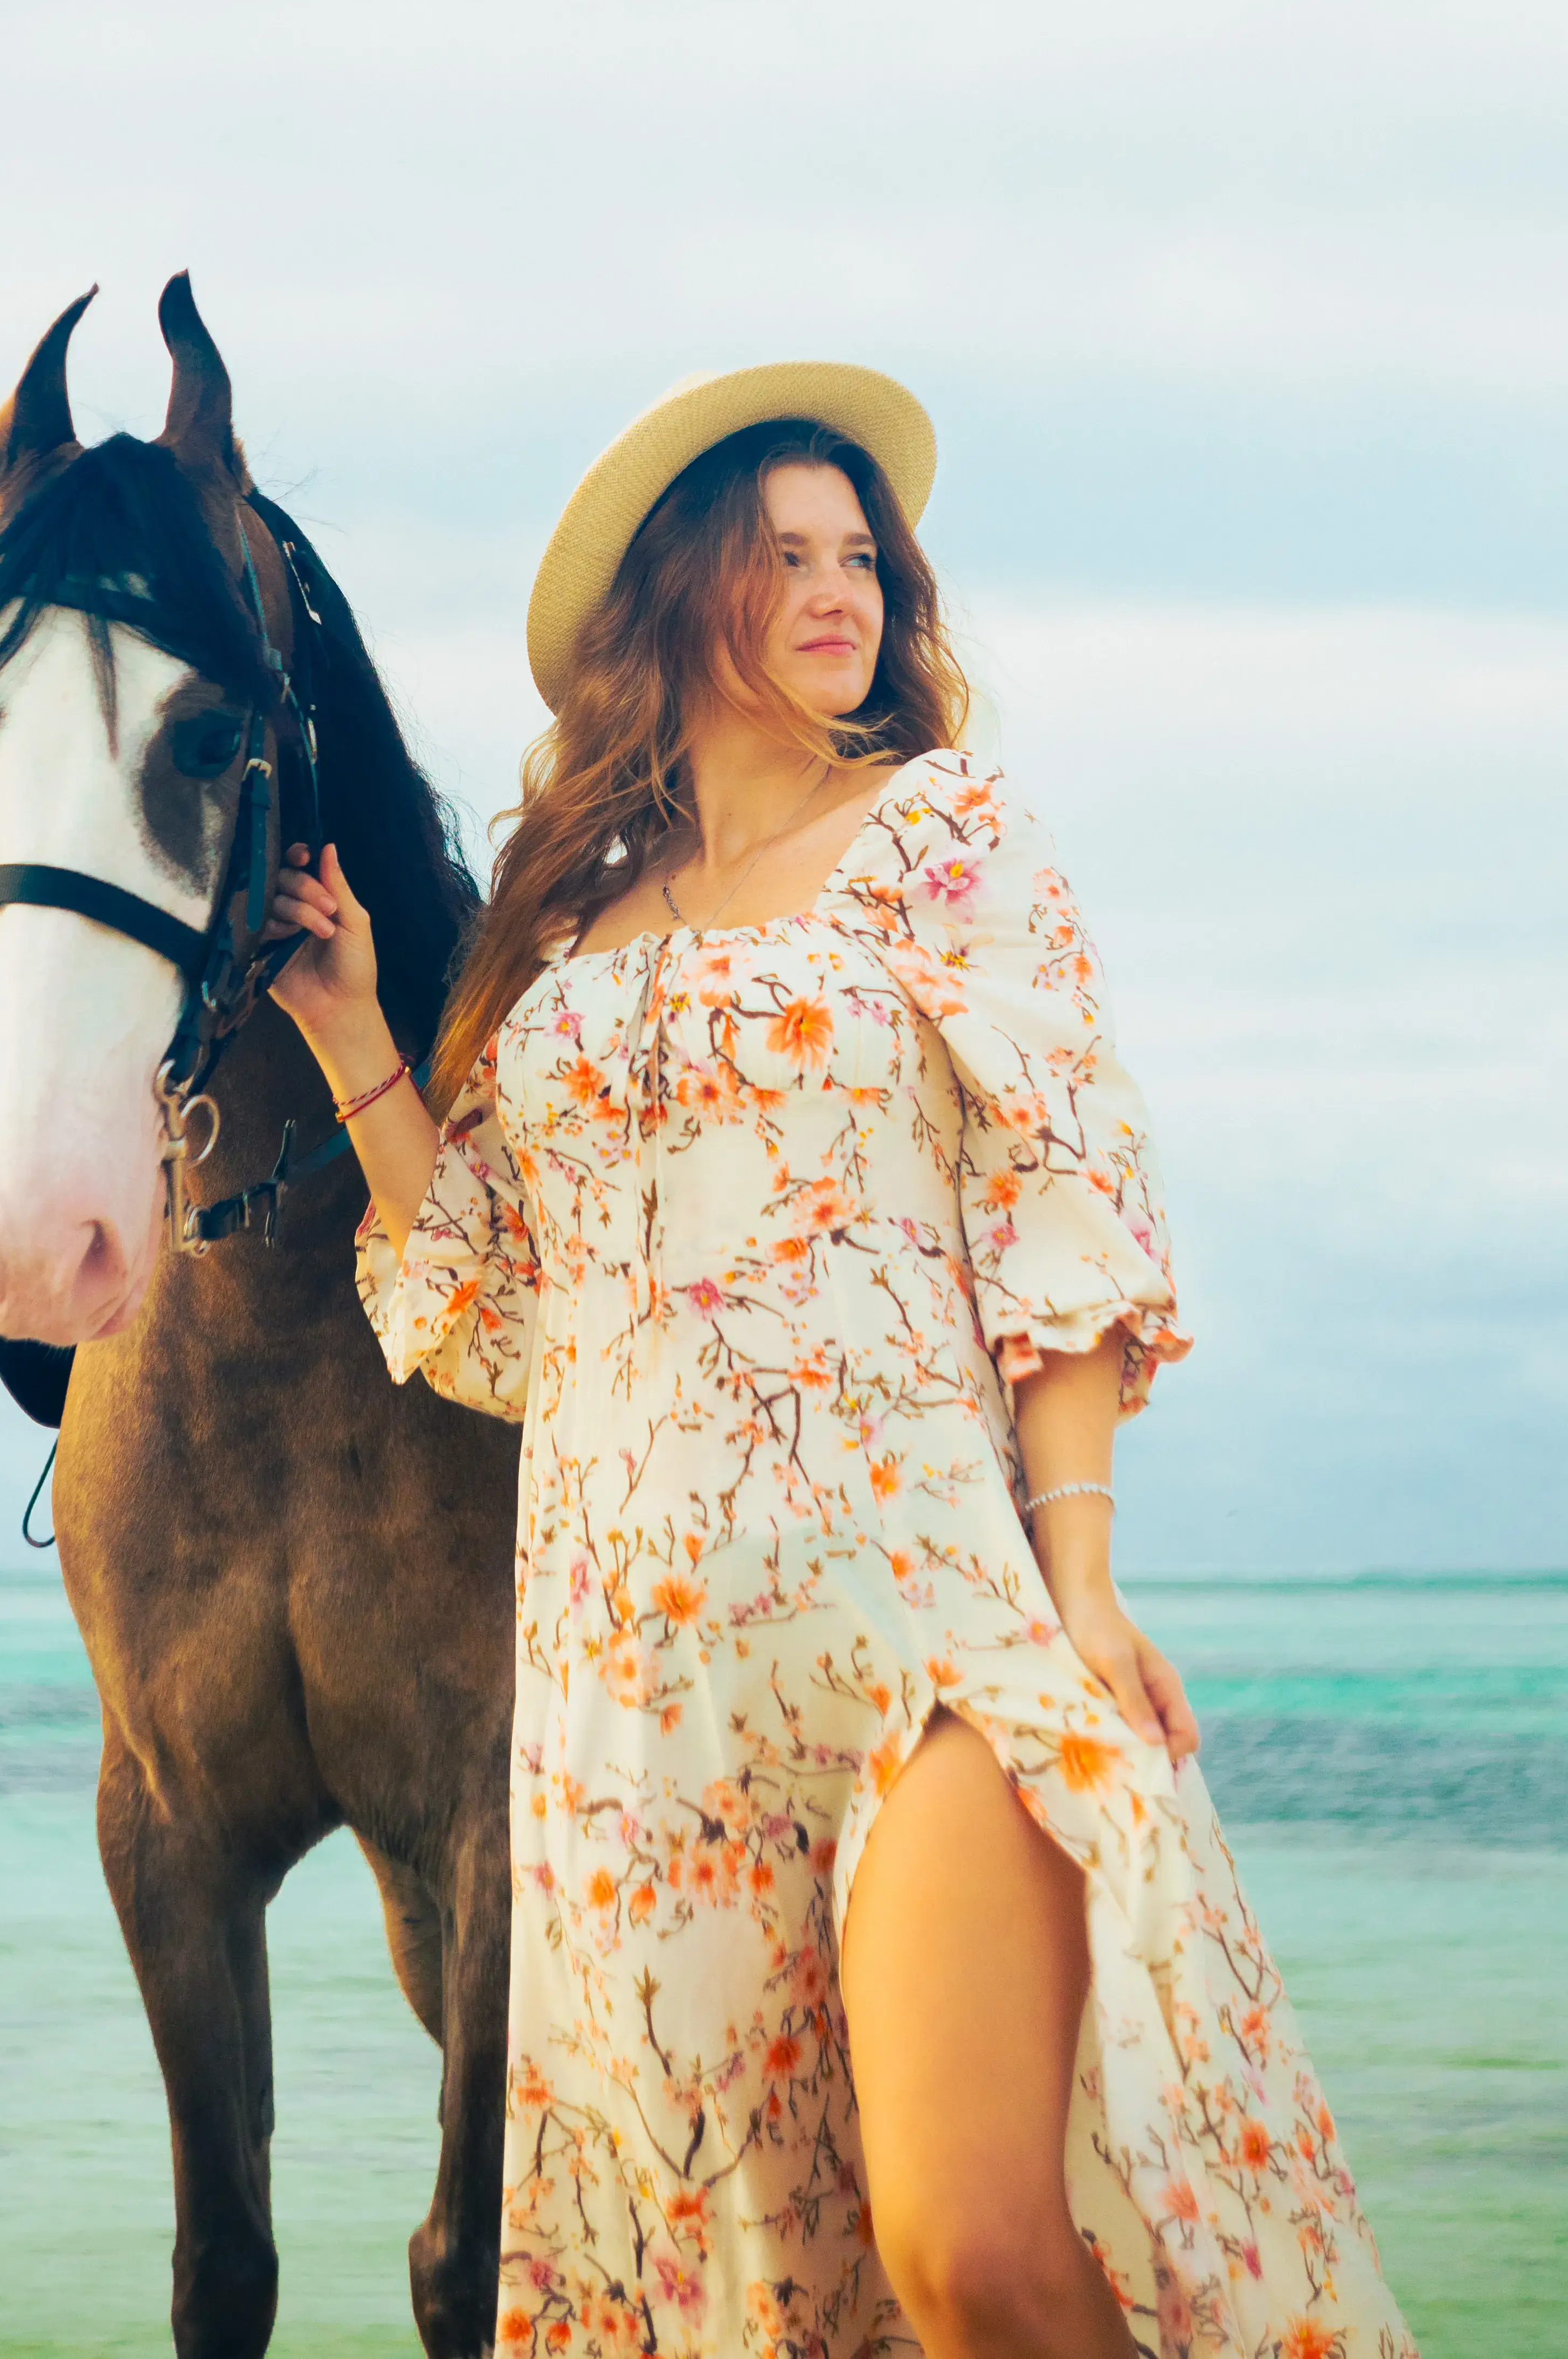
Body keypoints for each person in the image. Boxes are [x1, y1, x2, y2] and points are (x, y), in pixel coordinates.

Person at [268, 366, 1415, 2359]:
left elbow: (1058, 1202)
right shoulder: (556, 940)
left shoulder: (944, 836)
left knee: (970, 2245)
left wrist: (1079, 1581)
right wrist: (360, 1038)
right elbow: (493, 1319)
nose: (836, 589)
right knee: (775, 2284)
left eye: (858, 556)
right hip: (636, 1704)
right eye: (782, 552)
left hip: (920, 1628)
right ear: (677, 592)